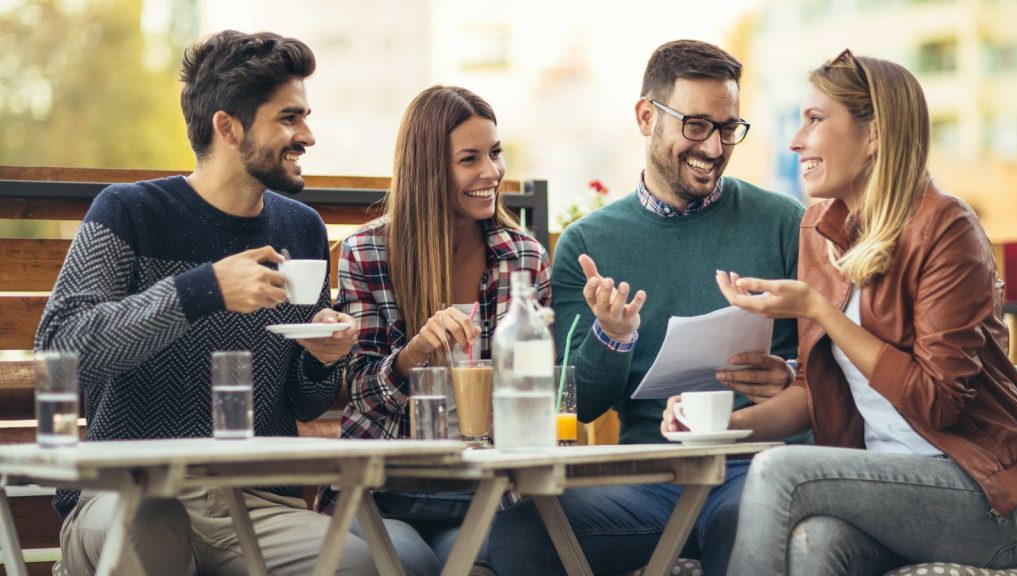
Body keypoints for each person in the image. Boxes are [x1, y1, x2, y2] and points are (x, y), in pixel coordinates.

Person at [34, 30, 406, 576]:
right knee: (151, 531)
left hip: (256, 506)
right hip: (130, 496)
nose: (307, 135)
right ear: (227, 127)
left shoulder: (301, 229)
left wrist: (322, 356)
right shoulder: (129, 212)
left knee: (357, 563)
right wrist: (202, 290)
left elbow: (305, 403)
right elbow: (58, 349)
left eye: (305, 116)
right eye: (288, 118)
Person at [488, 39, 808, 576]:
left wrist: (789, 373)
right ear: (646, 117)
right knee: (523, 535)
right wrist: (613, 337)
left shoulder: (783, 223)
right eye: (697, 125)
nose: (714, 147)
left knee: (747, 522)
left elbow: (830, 369)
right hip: (651, 478)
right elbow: (579, 405)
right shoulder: (589, 243)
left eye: (728, 128)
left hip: (757, 467)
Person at [714, 49, 1017, 575]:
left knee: (778, 473)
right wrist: (722, 427)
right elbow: (820, 394)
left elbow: (939, 402)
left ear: (875, 134)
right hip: (887, 486)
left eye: (815, 120)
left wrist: (821, 311)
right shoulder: (820, 229)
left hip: (986, 496)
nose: (796, 140)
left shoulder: (945, 228)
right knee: (815, 543)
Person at [316, 84, 552, 574]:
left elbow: (537, 392)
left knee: (477, 566)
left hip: (483, 493)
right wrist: (415, 352)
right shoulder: (368, 250)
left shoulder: (524, 258)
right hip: (381, 489)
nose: (492, 173)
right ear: (429, 168)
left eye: (495, 153)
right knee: (411, 564)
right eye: (470, 159)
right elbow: (359, 388)